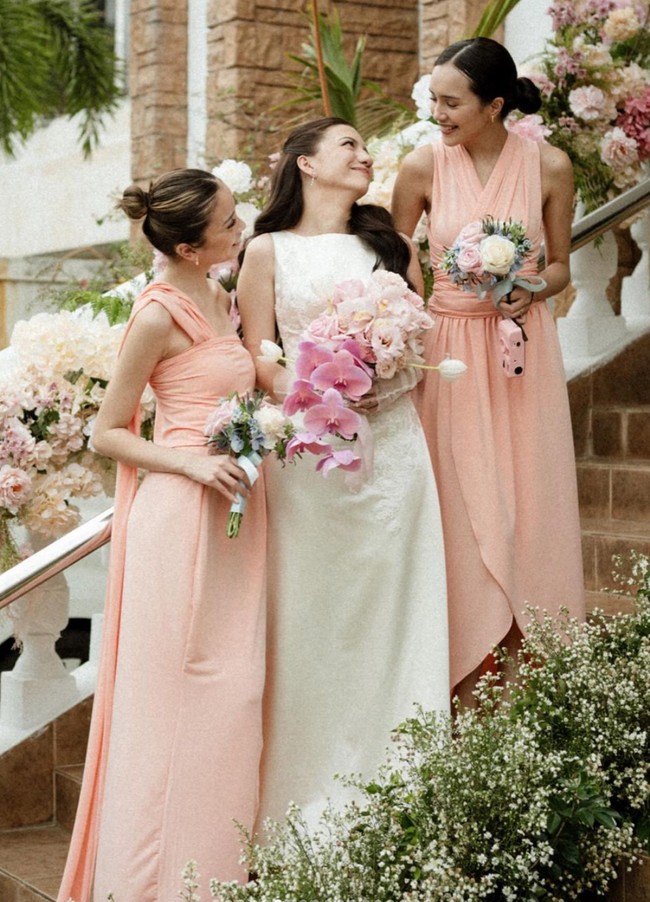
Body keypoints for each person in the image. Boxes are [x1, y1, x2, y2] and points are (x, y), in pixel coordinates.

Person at [57, 169, 267, 902]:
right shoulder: (156, 314)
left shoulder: (223, 292)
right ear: (187, 244)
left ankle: (213, 872)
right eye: (231, 225)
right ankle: (149, 883)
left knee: (233, 697)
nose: (242, 231)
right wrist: (190, 464)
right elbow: (108, 433)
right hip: (179, 520)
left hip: (238, 522)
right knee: (175, 702)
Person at [237, 117, 450, 831]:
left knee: (397, 615)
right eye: (348, 146)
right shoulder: (264, 250)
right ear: (304, 163)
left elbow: (419, 346)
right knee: (312, 622)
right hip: (309, 464)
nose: (365, 156)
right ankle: (303, 806)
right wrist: (316, 386)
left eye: (366, 147)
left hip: (391, 454)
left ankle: (403, 802)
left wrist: (374, 374)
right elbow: (258, 355)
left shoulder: (392, 244)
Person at [391, 37, 585, 705]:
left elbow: (560, 264)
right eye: (434, 100)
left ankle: (536, 672)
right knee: (460, 501)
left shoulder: (552, 166)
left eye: (451, 102)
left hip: (521, 349)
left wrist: (535, 288)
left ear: (494, 104)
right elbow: (393, 263)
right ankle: (461, 677)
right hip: (447, 356)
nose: (438, 113)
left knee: (530, 499)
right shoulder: (420, 166)